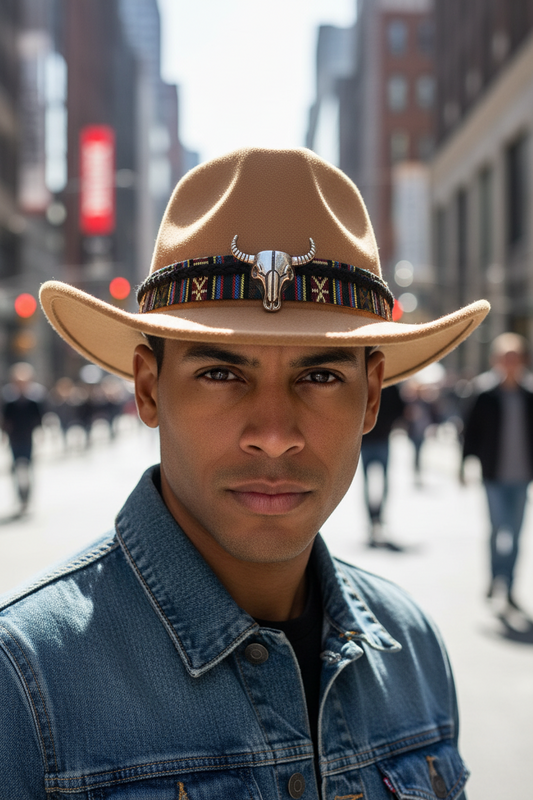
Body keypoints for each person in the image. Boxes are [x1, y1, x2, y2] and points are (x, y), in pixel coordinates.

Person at [0, 148, 488, 798]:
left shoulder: (413, 648)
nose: (274, 434)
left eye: (318, 376)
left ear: (371, 397)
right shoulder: (24, 681)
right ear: (148, 389)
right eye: (221, 373)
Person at [462, 332, 533, 611]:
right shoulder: (485, 394)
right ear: (497, 360)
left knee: (515, 534)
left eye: (515, 357)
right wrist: (464, 465)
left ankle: (509, 583)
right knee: (496, 530)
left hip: (522, 477)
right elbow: (470, 434)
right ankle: (494, 578)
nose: (511, 363)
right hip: (493, 475)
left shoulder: (529, 396)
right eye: (506, 357)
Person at [360, 384, 405, 548]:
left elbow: (400, 410)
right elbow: (400, 410)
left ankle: (376, 519)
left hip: (373, 440)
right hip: (374, 440)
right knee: (377, 483)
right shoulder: (390, 385)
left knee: (376, 483)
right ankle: (375, 519)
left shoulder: (387, 385)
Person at [0, 362, 44, 512]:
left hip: (28, 438)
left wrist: (41, 434)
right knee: (16, 468)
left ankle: (28, 496)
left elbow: (39, 419)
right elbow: (5, 421)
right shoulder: (9, 400)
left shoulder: (33, 400)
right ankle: (19, 496)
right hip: (14, 439)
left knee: (27, 467)